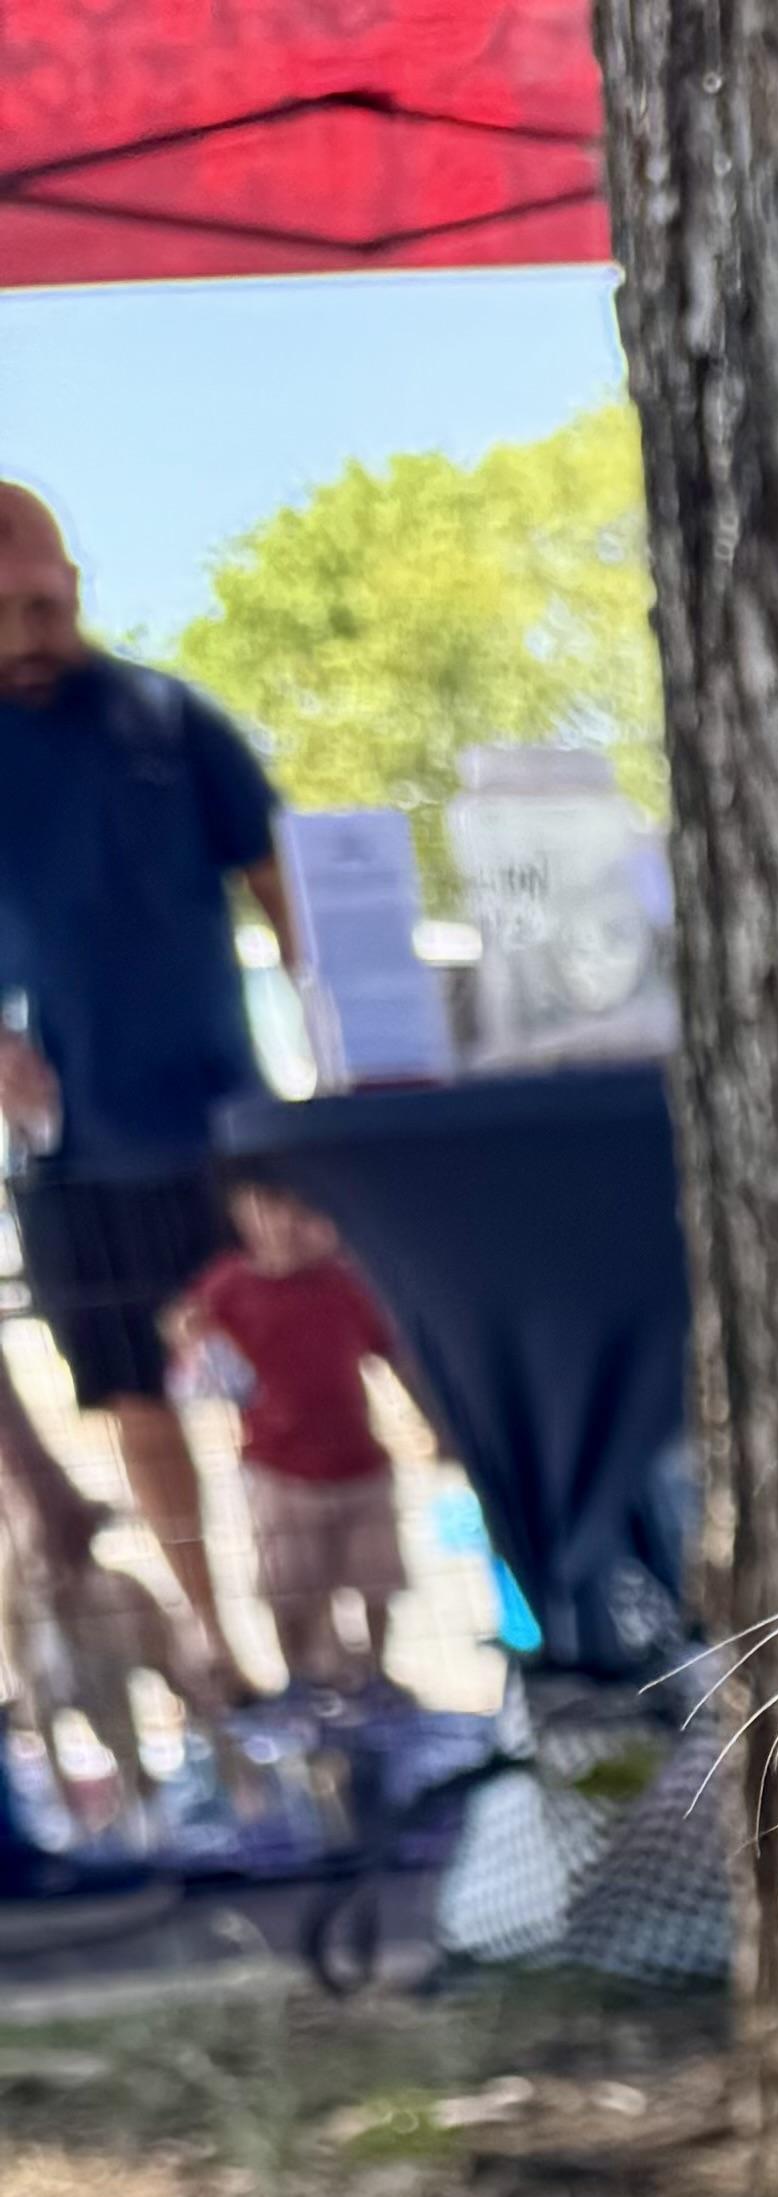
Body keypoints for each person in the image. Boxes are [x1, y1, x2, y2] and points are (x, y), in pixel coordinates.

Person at [0, 480, 291, 1681]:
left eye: (43, 602)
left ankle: (327, 1644)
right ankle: (219, 1645)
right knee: (135, 1405)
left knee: (294, 1385)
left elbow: (295, 903)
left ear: (74, 581)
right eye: (1, 612)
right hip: (72, 1165)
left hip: (228, 1132)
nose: (27, 632)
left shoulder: (176, 722)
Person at [175, 1181, 417, 1694]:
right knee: (290, 1592)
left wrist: (437, 1428)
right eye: (271, 1209)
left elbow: (395, 1357)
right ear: (243, 1212)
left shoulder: (347, 1282)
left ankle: (376, 1677)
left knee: (379, 1582)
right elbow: (189, 1354)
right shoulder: (226, 1286)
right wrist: (190, 1337)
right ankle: (305, 1684)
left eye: (301, 1209)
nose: (287, 1224)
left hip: (362, 1464)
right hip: (280, 1471)